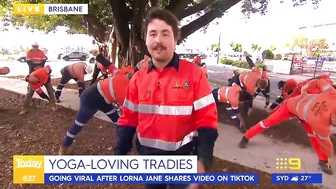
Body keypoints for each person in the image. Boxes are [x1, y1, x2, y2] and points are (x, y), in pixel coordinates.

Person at [114, 8, 218, 189]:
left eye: (165, 34)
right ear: (146, 40)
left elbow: (207, 121)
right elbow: (127, 120)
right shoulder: (138, 79)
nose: (158, 40)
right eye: (152, 34)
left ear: (175, 40)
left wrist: (202, 161)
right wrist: (119, 156)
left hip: (185, 161)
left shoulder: (194, 74)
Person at [239, 78, 335, 175]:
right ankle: (246, 137)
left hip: (303, 114)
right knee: (267, 123)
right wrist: (304, 89)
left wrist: (305, 89)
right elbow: (327, 145)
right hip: (289, 107)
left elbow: (319, 82)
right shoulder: (322, 123)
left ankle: (323, 160)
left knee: (313, 136)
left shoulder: (332, 95)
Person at [58, 70, 132, 155]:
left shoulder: (121, 73)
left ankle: (122, 143)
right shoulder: (124, 91)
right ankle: (64, 146)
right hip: (90, 99)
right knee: (78, 125)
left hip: (104, 99)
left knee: (117, 121)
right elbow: (125, 113)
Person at [268, 75, 332, 112]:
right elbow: (285, 97)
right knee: (282, 99)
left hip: (300, 91)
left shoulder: (292, 82)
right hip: (301, 90)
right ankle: (272, 108)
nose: (283, 89)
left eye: (283, 87)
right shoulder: (286, 89)